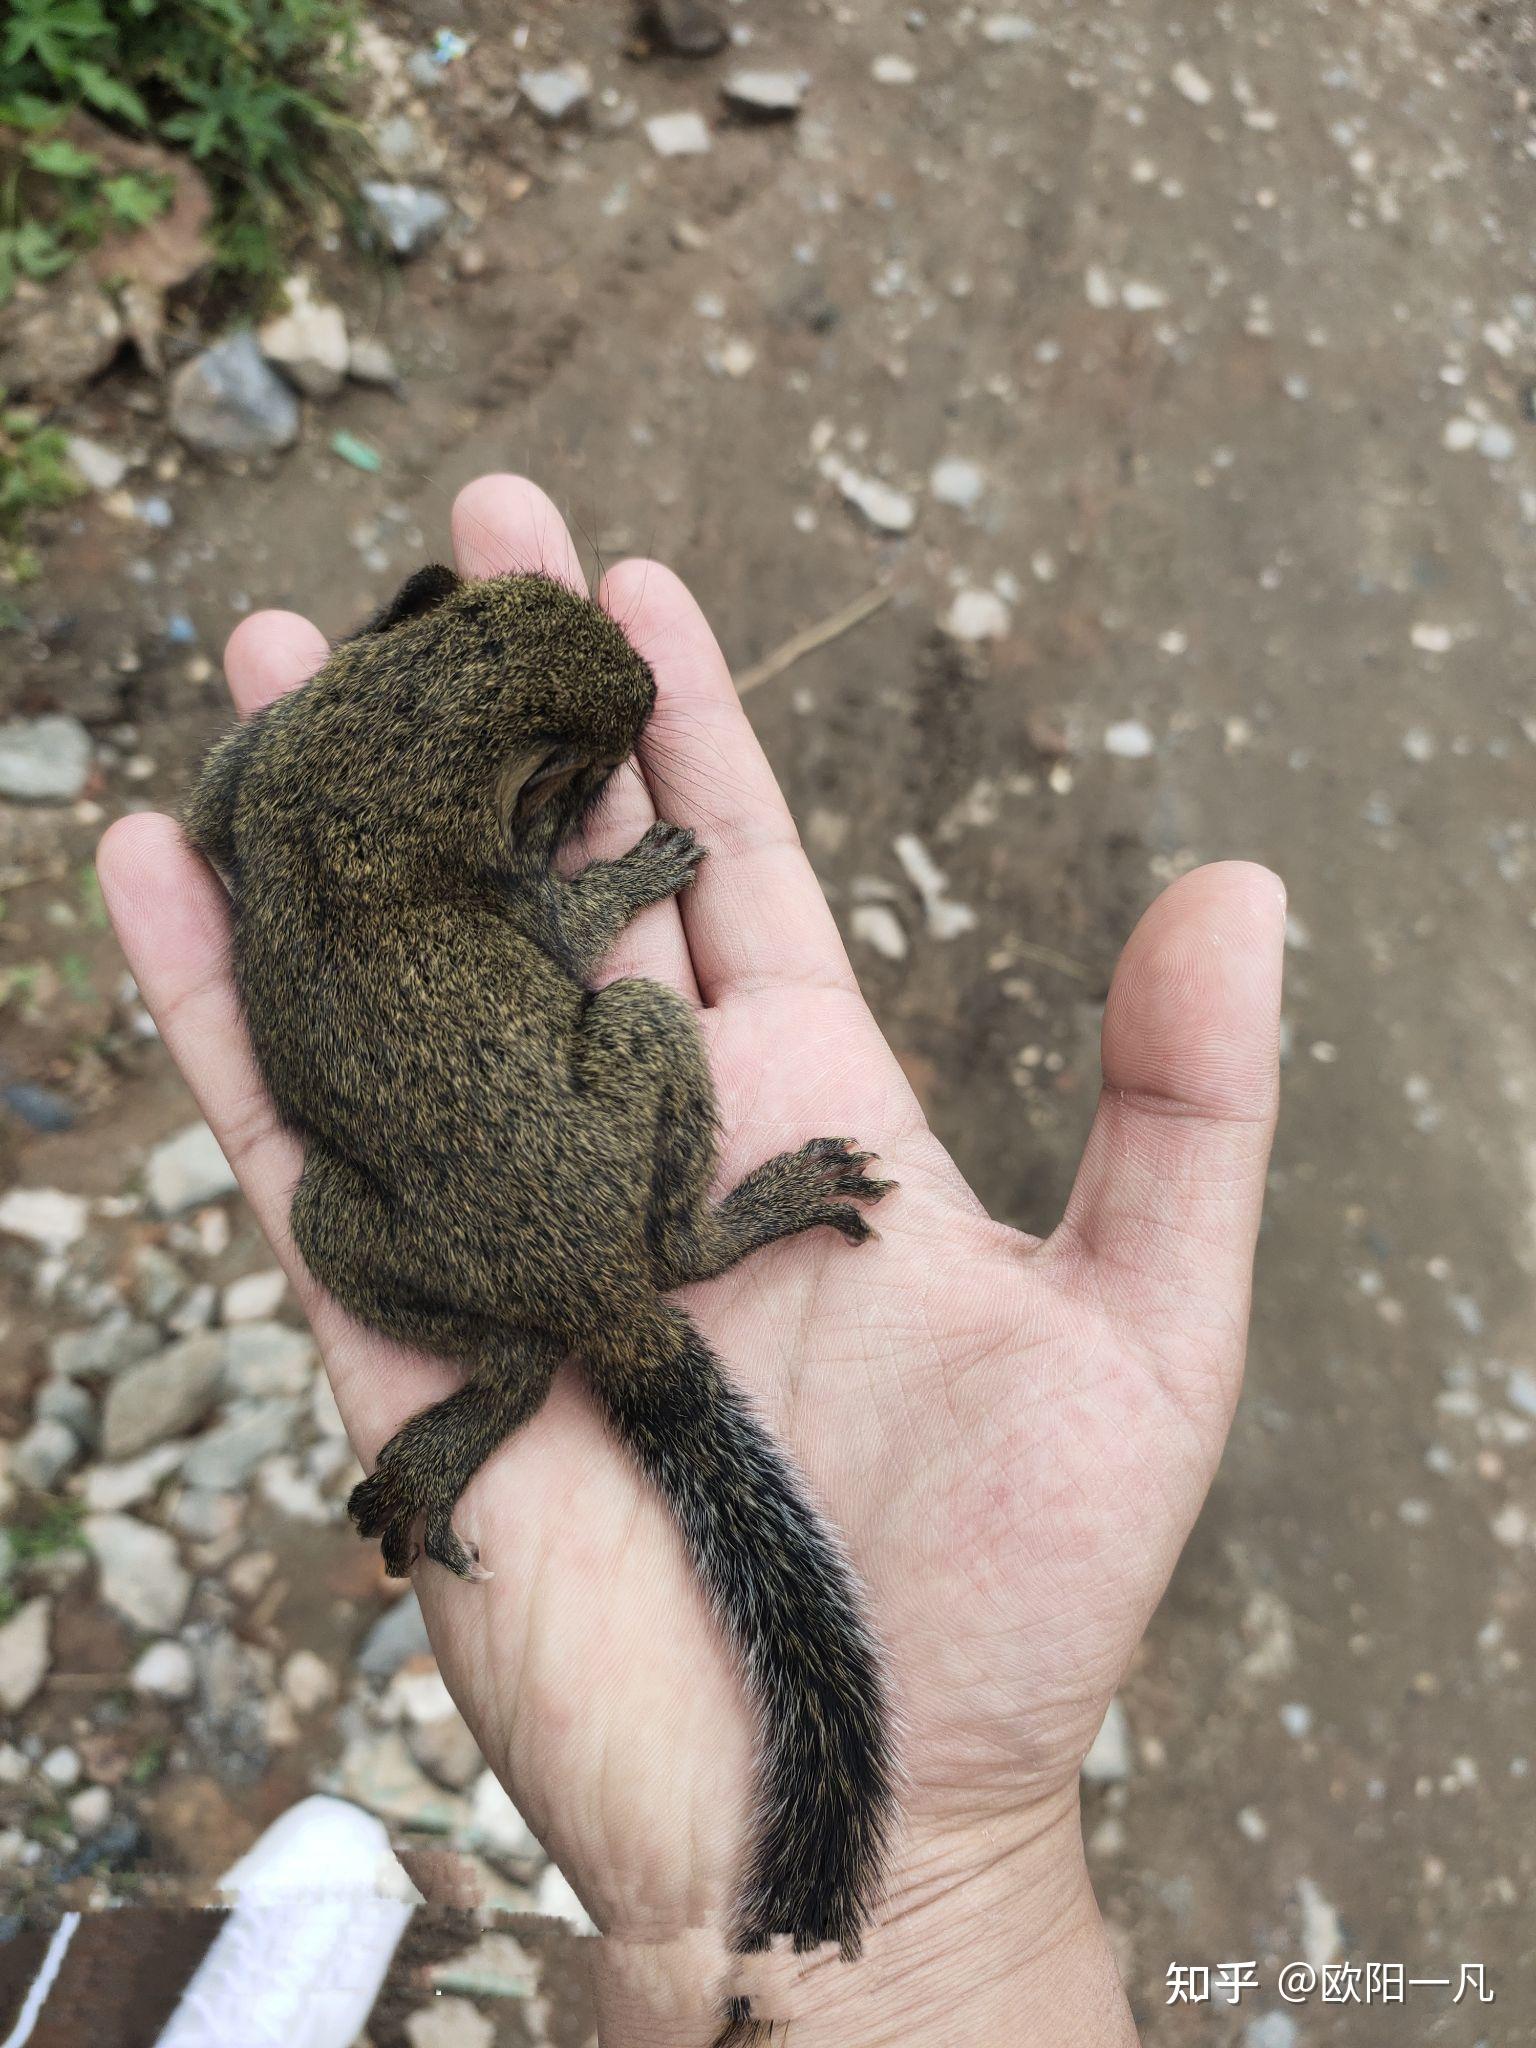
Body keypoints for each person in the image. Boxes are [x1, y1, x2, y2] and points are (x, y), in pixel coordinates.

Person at [98, 474, 1284, 2045]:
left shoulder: (282, 772)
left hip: (436, 1226)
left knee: (329, 1220)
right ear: (498, 786)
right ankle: (697, 1239)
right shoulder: (460, 862)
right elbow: (532, 939)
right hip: (583, 1162)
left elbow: (214, 813)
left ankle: (505, 1374)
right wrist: (608, 888)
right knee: (645, 1017)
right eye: (574, 774)